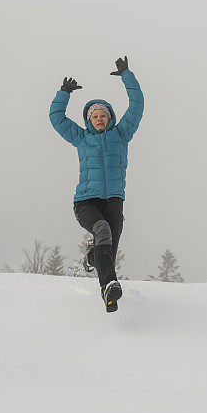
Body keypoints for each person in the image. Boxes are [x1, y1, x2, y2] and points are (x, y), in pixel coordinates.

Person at [49, 56, 144, 312]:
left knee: (108, 252)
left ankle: (106, 291)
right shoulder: (81, 138)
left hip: (114, 199)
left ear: (110, 117)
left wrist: (127, 75)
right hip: (86, 202)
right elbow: (56, 118)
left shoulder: (121, 134)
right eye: (95, 116)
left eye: (103, 115)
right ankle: (110, 282)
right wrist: (64, 93)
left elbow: (137, 105)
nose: (99, 119)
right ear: (89, 121)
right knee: (102, 229)